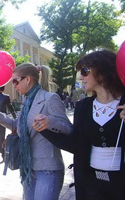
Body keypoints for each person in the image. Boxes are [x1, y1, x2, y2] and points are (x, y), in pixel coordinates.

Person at [37, 50, 125, 200]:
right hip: (90, 184)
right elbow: (77, 144)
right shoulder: (83, 107)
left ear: (103, 71)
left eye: (85, 71)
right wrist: (46, 129)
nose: (80, 77)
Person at [0, 63, 72, 200]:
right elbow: (16, 126)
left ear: (28, 80)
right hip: (28, 168)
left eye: (15, 81)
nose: (14, 85)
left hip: (47, 169)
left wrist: (49, 122)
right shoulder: (26, 101)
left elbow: (68, 128)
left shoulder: (50, 98)